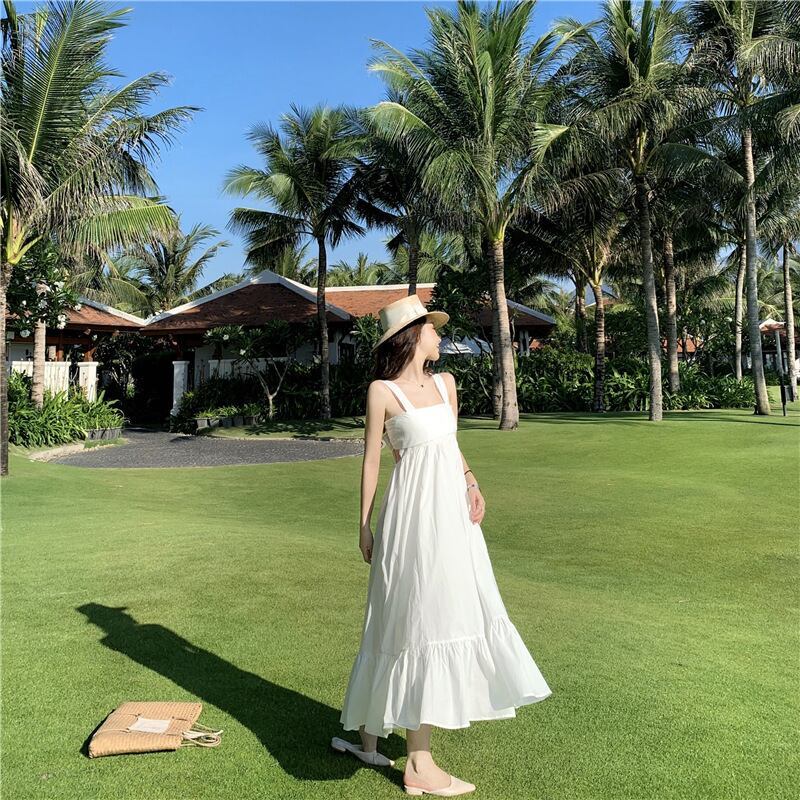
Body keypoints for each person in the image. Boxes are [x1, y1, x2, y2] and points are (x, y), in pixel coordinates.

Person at [331, 294, 552, 796]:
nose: (439, 335)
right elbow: (372, 461)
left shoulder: (447, 383)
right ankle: (417, 763)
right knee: (409, 617)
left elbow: (449, 446)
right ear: (412, 336)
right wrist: (363, 525)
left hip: (450, 515)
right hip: (410, 518)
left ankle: (372, 738)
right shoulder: (382, 392)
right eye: (432, 328)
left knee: (436, 612)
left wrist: (471, 480)